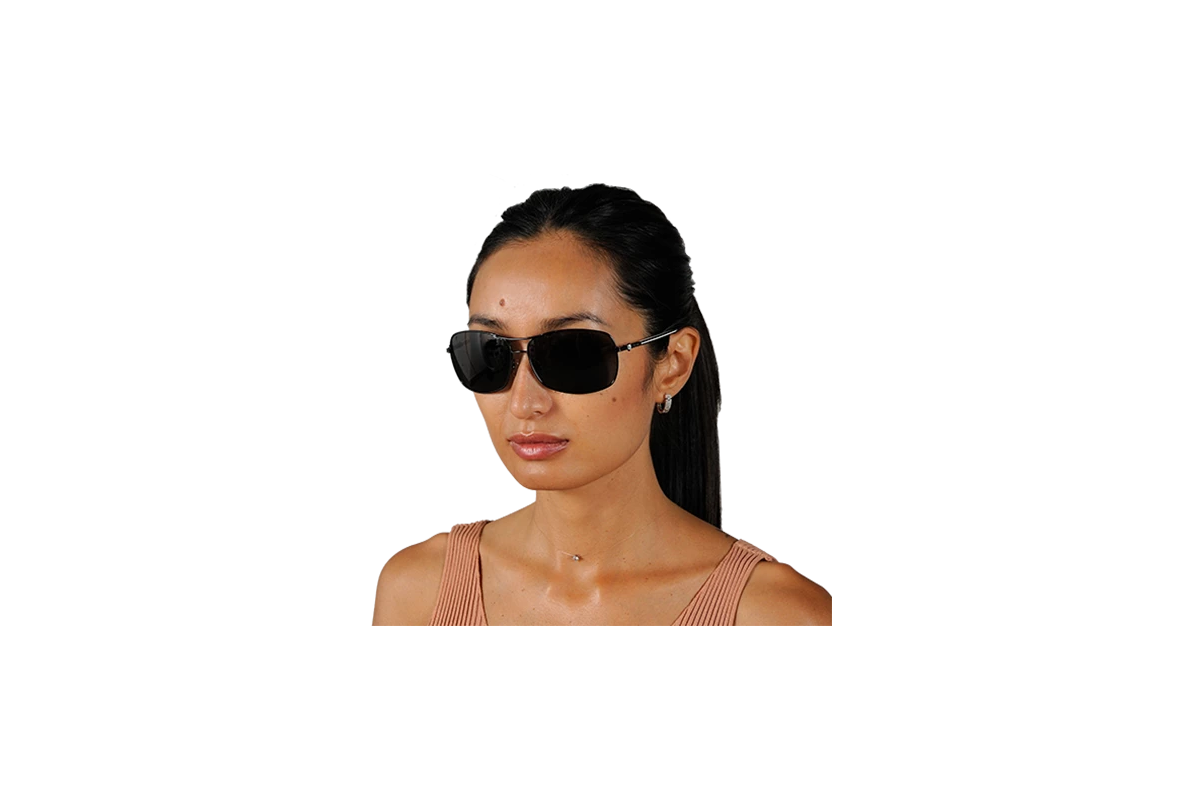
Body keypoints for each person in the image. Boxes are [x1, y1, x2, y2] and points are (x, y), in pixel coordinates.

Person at [371, 183, 831, 625]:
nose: (525, 402)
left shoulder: (782, 619)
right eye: (490, 352)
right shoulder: (418, 591)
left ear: (672, 364)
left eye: (573, 353)